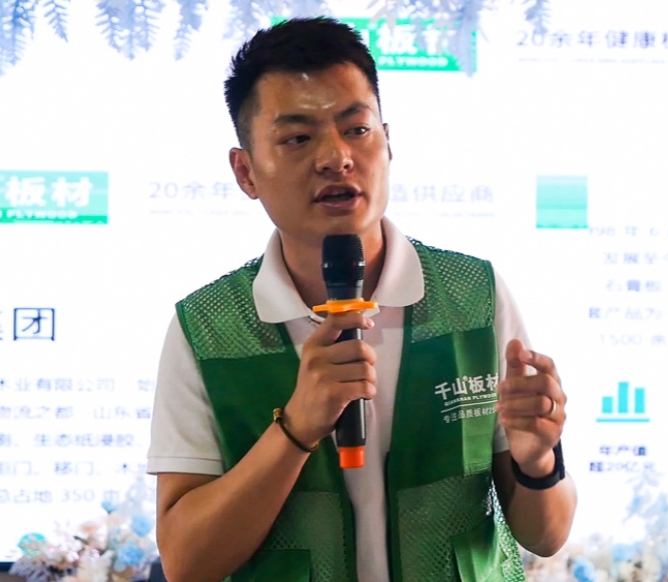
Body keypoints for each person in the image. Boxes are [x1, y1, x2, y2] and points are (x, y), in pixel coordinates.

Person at [147, 16, 576, 582]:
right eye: (298, 138)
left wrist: (538, 460)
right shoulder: (207, 327)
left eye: (356, 129)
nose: (336, 157)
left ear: (388, 142)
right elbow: (187, 562)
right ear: (246, 171)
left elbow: (546, 534)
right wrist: (296, 428)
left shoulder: (474, 297)